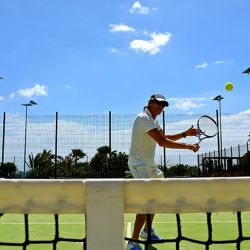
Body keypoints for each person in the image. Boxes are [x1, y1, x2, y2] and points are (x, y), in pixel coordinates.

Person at [125, 94, 200, 250]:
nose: (161, 108)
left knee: (155, 198)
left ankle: (147, 231)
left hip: (150, 166)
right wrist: (189, 146)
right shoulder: (143, 118)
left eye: (163, 105)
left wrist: (185, 134)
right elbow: (162, 142)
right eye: (158, 104)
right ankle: (132, 241)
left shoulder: (153, 120)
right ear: (150, 103)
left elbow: (164, 137)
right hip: (139, 165)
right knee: (146, 201)